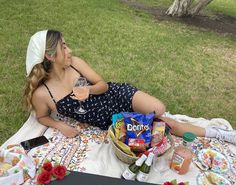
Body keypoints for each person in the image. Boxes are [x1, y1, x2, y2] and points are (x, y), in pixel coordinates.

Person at [23, 30, 236, 145]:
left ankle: (213, 132)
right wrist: (60, 126)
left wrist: (89, 91)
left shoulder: (75, 63)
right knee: (165, 125)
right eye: (63, 47)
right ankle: (219, 134)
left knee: (159, 109)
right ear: (50, 56)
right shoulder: (43, 93)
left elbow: (103, 85)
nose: (69, 50)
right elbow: (42, 117)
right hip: (110, 120)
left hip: (116, 95)